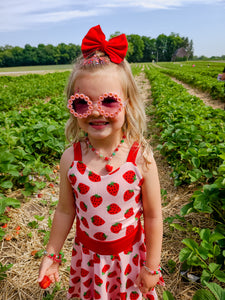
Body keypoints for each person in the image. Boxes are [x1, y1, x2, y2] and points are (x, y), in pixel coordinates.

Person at [38, 25, 164, 300]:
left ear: (128, 104)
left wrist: (151, 267)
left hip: (130, 261)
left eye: (108, 101)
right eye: (82, 103)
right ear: (72, 108)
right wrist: (52, 253)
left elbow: (153, 216)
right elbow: (64, 211)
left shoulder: (141, 158)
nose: (96, 112)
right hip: (89, 262)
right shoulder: (71, 159)